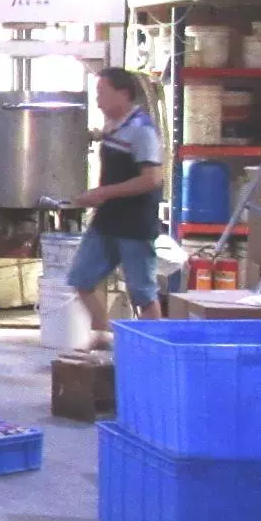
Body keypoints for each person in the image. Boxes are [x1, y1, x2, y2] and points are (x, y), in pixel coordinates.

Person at [68, 66, 165, 336]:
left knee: (143, 293)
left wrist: (103, 193)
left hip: (135, 223)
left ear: (123, 93)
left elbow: (152, 179)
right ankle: (102, 334)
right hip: (108, 220)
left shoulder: (141, 129)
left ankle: (153, 346)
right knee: (81, 278)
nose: (98, 100)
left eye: (102, 93)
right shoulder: (113, 127)